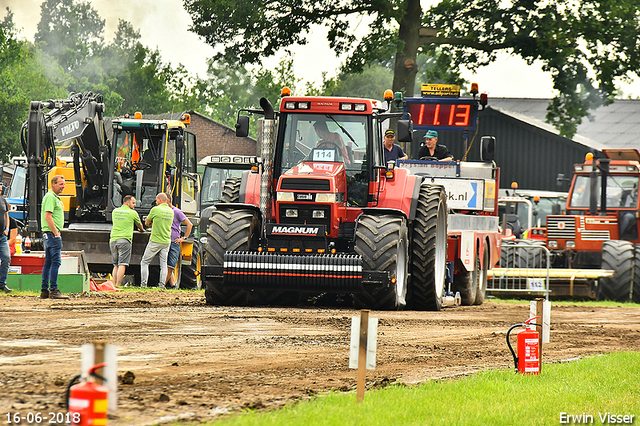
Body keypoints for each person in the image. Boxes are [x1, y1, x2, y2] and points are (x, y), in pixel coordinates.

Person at [41, 175, 68, 299]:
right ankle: (53, 290)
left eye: (64, 184)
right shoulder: (51, 197)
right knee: (55, 262)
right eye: (61, 184)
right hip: (52, 234)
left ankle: (44, 290)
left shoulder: (53, 197)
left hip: (49, 234)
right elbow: (48, 216)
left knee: (48, 262)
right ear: (53, 184)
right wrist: (56, 232)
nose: (63, 186)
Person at [109, 195, 145, 287]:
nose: (134, 205)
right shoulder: (133, 213)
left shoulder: (115, 211)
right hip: (124, 240)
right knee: (122, 264)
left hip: (113, 239)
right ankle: (118, 284)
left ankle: (113, 285)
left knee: (115, 265)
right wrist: (142, 230)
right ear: (127, 203)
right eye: (133, 203)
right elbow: (139, 225)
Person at [140, 192, 174, 288]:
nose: (156, 202)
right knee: (163, 264)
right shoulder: (171, 211)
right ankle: (162, 285)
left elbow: (147, 222)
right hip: (166, 241)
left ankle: (143, 284)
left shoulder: (155, 209)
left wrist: (152, 224)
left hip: (155, 240)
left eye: (156, 200)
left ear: (159, 200)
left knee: (145, 261)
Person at [164, 194, 192, 289]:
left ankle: (162, 285)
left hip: (174, 242)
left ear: (167, 201)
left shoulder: (177, 212)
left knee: (171, 265)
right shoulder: (163, 211)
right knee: (167, 264)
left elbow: (189, 224)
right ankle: (173, 285)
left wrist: (184, 238)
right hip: (165, 241)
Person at [0, 194, 11, 293]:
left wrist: (7, 229)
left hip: (2, 236)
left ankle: (2, 283)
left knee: (6, 257)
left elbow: (7, 215)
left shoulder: (3, 200)